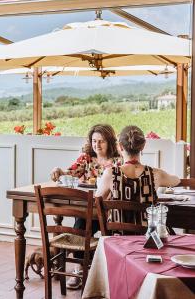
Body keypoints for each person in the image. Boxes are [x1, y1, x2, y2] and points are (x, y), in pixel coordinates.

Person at [50, 124, 121, 290]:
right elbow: (70, 172)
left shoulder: (118, 161)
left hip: (109, 211)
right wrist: (58, 170)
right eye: (94, 141)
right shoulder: (86, 159)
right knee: (82, 223)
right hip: (87, 207)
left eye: (101, 141)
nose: (97, 145)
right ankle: (80, 268)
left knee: (84, 224)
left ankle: (89, 269)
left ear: (110, 142)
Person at [97, 125, 180, 224]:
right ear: (143, 145)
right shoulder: (155, 174)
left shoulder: (110, 173)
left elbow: (97, 202)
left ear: (120, 146)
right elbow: (176, 181)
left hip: (118, 237)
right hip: (148, 237)